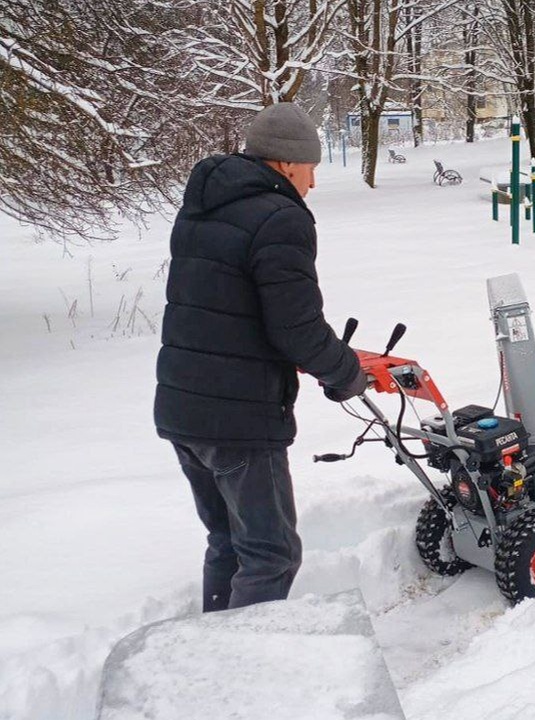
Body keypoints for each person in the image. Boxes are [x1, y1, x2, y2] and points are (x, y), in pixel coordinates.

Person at [154, 102, 367, 612]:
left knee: (228, 542)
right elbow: (295, 326)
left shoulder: (204, 206)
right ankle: (245, 673)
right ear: (288, 163)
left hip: (183, 406)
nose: (312, 183)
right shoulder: (281, 217)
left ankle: (214, 650)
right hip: (238, 417)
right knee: (271, 555)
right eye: (312, 169)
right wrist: (346, 374)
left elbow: (231, 309)